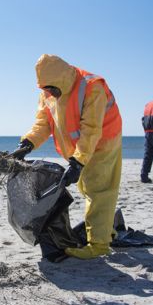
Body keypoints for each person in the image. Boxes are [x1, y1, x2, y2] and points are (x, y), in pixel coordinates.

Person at [12, 54, 122, 260]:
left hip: (103, 142)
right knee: (87, 188)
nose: (50, 93)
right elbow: (43, 124)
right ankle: (105, 231)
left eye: (52, 88)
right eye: (46, 89)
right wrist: (27, 144)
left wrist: (78, 161)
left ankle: (99, 244)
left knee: (99, 191)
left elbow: (91, 130)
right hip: (80, 147)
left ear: (63, 79)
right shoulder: (48, 91)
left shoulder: (91, 87)